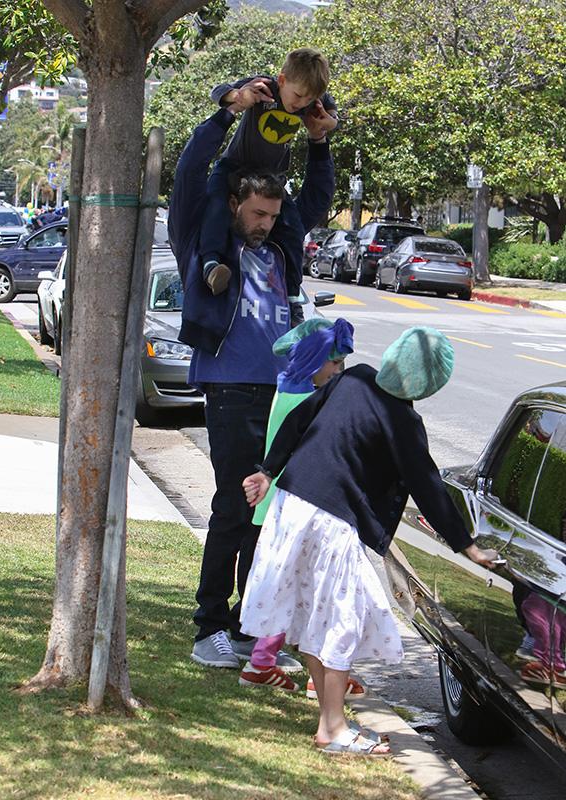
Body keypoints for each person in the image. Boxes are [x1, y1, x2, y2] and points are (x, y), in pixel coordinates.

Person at [241, 327, 500, 756]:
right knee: (341, 619)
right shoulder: (404, 420)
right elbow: (428, 486)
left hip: (293, 506)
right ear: (431, 382)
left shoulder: (355, 377)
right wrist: (468, 546)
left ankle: (331, 723)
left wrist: (267, 472)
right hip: (331, 521)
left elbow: (297, 419)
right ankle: (335, 729)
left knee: (310, 615)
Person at [167, 90, 335, 669]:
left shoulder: (281, 247)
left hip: (280, 390)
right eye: (257, 214)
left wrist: (320, 143)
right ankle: (209, 626)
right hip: (231, 386)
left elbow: (315, 198)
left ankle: (246, 625)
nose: (265, 224)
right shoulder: (202, 237)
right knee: (234, 505)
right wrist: (226, 111)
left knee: (266, 511)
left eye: (271, 215)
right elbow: (191, 174)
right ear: (237, 204)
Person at [238, 317, 354, 693]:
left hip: (277, 503)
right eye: (334, 363)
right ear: (315, 361)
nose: (340, 370)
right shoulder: (309, 400)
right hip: (293, 506)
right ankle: (303, 670)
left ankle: (267, 663)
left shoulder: (288, 387)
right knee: (312, 589)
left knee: (296, 588)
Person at [199, 48, 338, 325]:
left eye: (310, 99)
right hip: (234, 168)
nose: (302, 104)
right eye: (298, 96)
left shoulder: (311, 100)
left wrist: (329, 123)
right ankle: (211, 265)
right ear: (282, 80)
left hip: (272, 179)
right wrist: (238, 97)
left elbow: (331, 112)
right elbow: (218, 91)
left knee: (293, 228)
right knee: (215, 208)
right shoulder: (265, 86)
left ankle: (291, 294)